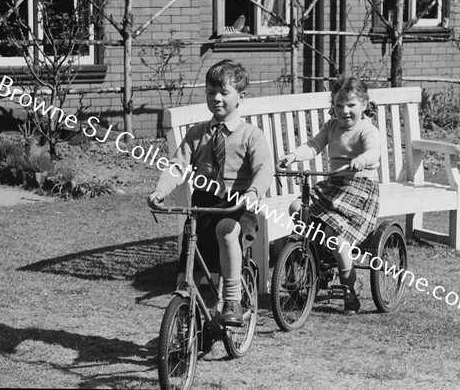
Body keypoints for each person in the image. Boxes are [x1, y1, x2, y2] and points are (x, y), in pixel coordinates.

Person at [147, 59, 273, 326]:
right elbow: (177, 166)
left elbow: (264, 169)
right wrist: (160, 190)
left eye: (224, 93)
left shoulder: (251, 135)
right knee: (189, 255)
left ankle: (231, 299)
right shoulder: (197, 134)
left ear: (241, 97)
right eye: (210, 92)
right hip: (204, 205)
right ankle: (183, 314)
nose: (216, 98)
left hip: (237, 206)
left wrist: (253, 193)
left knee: (227, 230)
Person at [277, 76, 380, 316]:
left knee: (335, 236)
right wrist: (293, 156)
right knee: (296, 208)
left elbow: (374, 151)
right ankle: (316, 256)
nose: (345, 111)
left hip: (359, 187)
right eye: (339, 105)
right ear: (332, 105)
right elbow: (313, 146)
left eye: (351, 105)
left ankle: (349, 289)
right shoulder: (331, 126)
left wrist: (362, 159)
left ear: (364, 104)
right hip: (334, 185)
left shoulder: (367, 129)